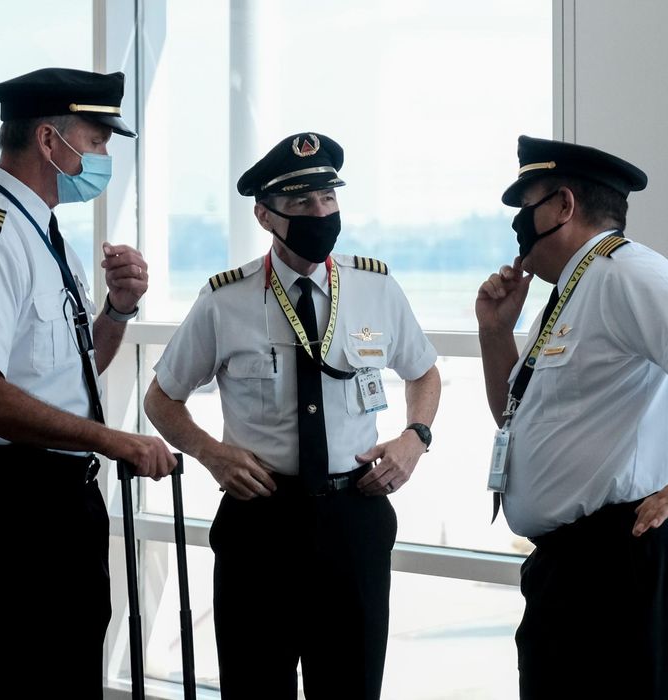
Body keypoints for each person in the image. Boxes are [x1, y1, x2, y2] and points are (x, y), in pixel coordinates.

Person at [144, 132, 441, 699]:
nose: (320, 214)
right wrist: (211, 453)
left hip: (355, 515)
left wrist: (415, 437)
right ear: (265, 215)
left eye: (328, 199)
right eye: (301, 203)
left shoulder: (375, 287)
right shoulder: (223, 300)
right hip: (261, 523)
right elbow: (162, 397)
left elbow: (423, 372)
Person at [0, 67, 176, 698]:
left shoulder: (38, 230)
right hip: (4, 507)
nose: (103, 159)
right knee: (11, 673)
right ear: (48, 140)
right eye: (96, 143)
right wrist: (111, 439)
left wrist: (117, 310)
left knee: (66, 666)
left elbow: (67, 372)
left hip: (54, 502)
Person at [475, 135, 668, 699]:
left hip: (624, 553)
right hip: (576, 563)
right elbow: (515, 413)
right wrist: (495, 331)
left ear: (563, 206)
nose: (519, 224)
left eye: (526, 206)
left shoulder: (624, 272)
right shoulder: (573, 291)